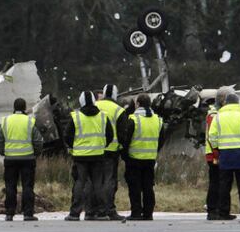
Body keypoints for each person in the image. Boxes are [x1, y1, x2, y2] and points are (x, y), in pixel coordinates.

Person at [63, 91, 113, 221]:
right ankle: (101, 213)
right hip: (98, 155)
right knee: (98, 184)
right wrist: (101, 145)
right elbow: (110, 135)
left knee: (80, 183)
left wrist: (75, 147)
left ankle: (75, 213)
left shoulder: (75, 117)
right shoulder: (103, 116)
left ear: (81, 102)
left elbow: (67, 136)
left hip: (80, 157)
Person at [208, 93, 240, 221]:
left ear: (226, 103)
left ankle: (224, 212)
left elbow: (212, 135)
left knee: (225, 185)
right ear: (237, 102)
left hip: (225, 154)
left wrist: (216, 148)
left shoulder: (218, 117)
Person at [0, 98, 43, 221]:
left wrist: (4, 152)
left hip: (10, 159)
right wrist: (35, 153)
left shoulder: (5, 121)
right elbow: (38, 141)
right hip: (28, 159)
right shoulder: (30, 121)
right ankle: (28, 214)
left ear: (14, 107)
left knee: (10, 186)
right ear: (25, 107)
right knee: (27, 187)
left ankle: (9, 213)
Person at [122, 93, 165, 221]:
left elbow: (126, 140)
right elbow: (161, 140)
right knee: (148, 187)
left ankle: (136, 212)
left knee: (135, 187)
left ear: (138, 104)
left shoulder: (133, 119)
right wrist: (153, 151)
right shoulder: (158, 120)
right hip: (150, 158)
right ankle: (148, 213)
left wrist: (125, 156)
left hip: (134, 158)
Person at [95, 84, 127, 220]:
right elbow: (122, 133)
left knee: (96, 181)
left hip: (94, 150)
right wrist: (122, 148)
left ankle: (94, 209)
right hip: (111, 151)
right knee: (109, 181)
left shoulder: (95, 106)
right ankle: (109, 209)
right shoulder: (119, 110)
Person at [205, 87, 235, 220]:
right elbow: (213, 136)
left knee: (221, 182)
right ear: (223, 99)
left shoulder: (219, 113)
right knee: (215, 183)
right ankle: (212, 210)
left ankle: (221, 210)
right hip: (214, 154)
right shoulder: (214, 115)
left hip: (219, 153)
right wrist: (217, 154)